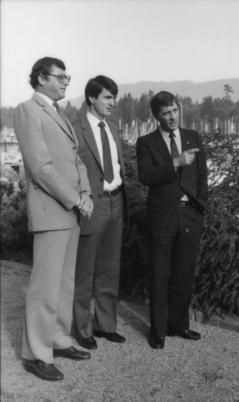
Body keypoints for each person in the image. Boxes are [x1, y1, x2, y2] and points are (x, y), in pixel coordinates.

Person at [13, 57, 93, 381]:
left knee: (64, 284)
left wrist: (85, 193)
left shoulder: (60, 113)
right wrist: (76, 199)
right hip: (51, 211)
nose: (66, 83)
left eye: (67, 77)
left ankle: (59, 339)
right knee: (44, 287)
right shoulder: (27, 110)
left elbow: (76, 162)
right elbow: (42, 167)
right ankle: (35, 353)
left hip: (71, 212)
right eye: (61, 77)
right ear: (42, 78)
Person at [136, 91, 208, 349]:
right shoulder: (146, 142)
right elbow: (146, 176)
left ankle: (179, 325)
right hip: (162, 217)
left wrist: (200, 211)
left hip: (190, 215)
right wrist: (175, 162)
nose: (172, 116)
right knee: (159, 273)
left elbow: (202, 179)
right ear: (156, 116)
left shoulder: (192, 137)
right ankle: (158, 331)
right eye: (166, 113)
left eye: (175, 110)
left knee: (184, 273)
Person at [71, 75, 127, 349]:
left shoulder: (113, 128)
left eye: (114, 97)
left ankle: (106, 325)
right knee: (86, 269)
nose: (113, 102)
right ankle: (82, 328)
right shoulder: (75, 129)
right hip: (93, 204)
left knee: (110, 267)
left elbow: (117, 166)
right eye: (107, 96)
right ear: (92, 98)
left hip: (117, 201)